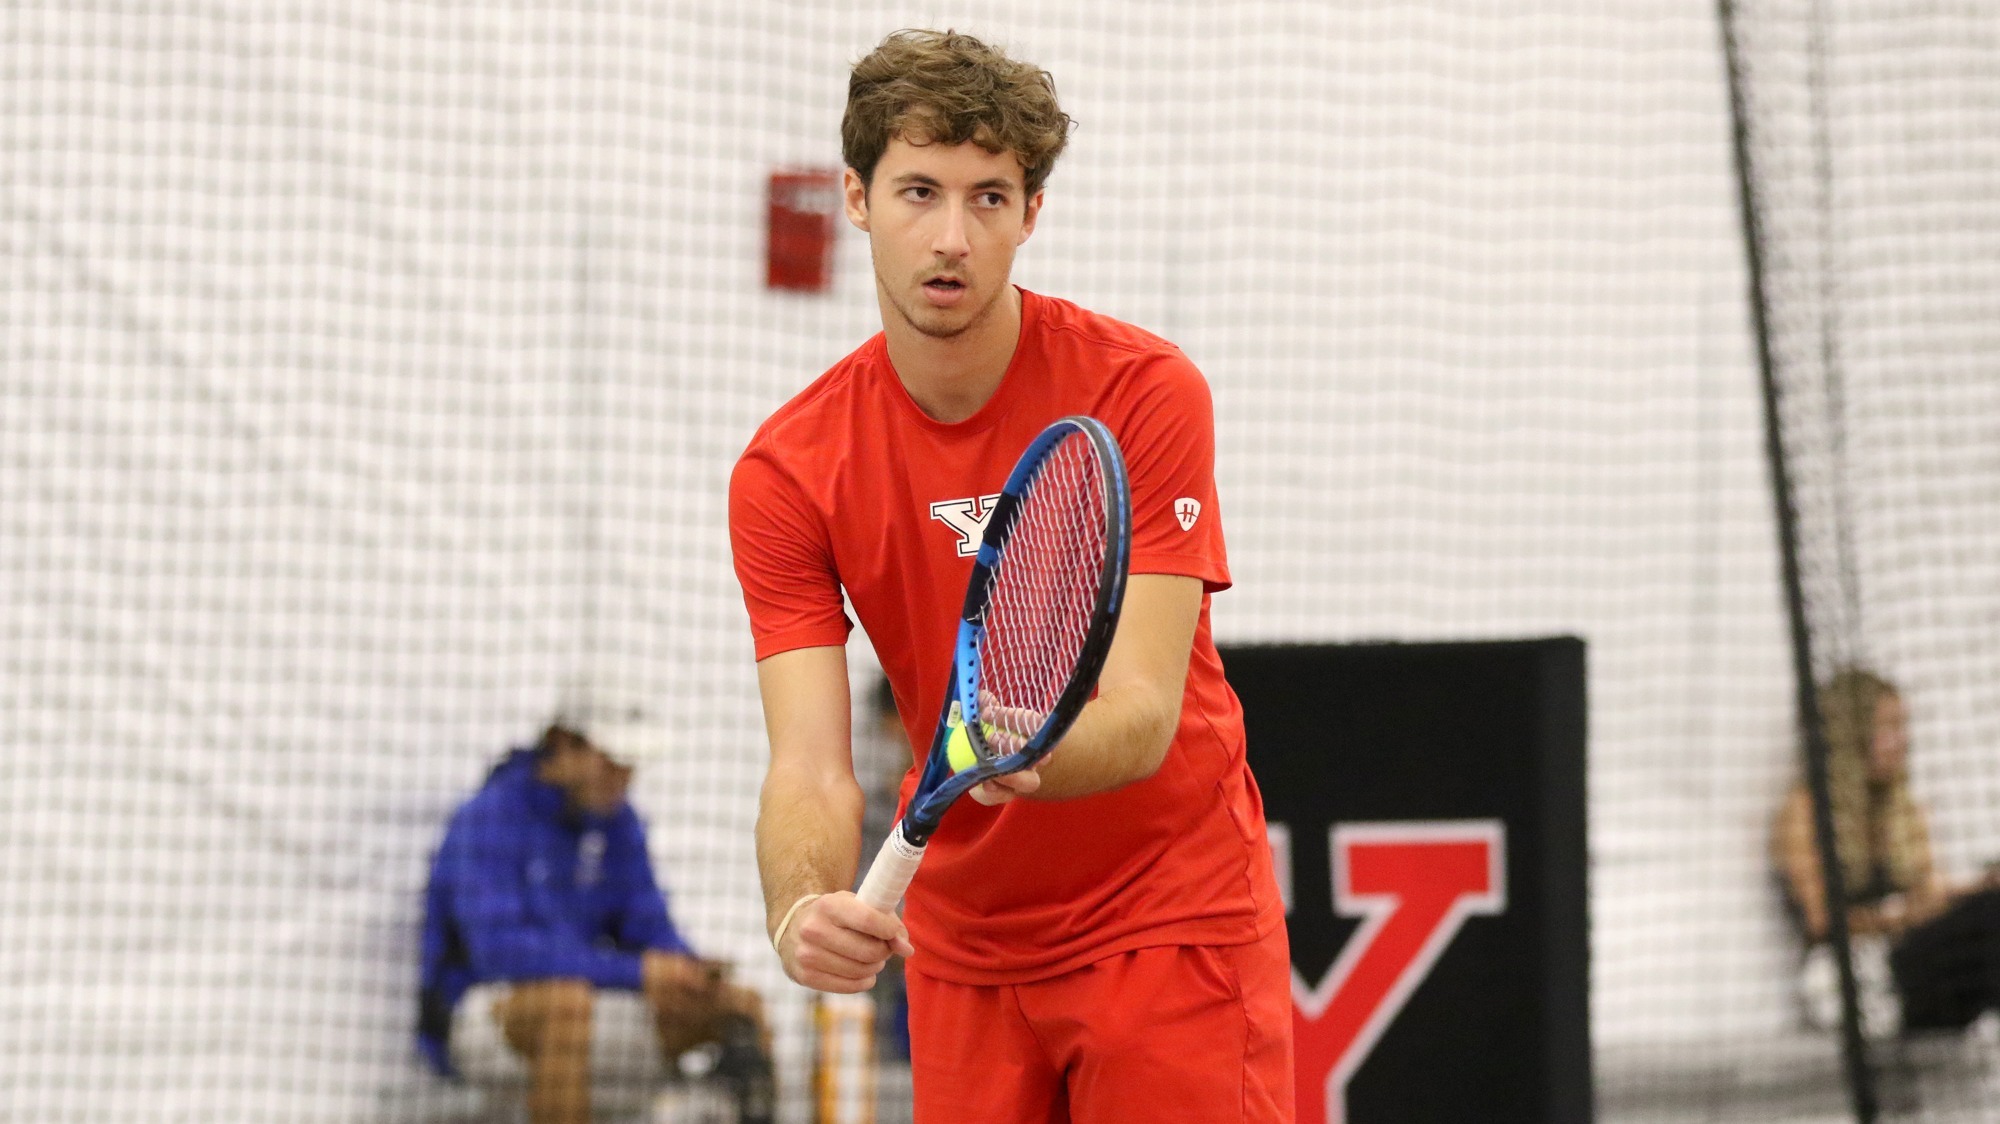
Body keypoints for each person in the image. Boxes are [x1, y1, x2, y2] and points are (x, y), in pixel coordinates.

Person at [728, 29, 1292, 1123]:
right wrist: (799, 905)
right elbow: (807, 765)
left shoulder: (1146, 393)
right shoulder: (786, 469)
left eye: (989, 198)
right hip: (961, 948)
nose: (950, 237)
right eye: (918, 191)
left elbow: (1140, 709)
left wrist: (1032, 750)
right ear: (855, 197)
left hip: (1165, 921)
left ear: (1030, 214)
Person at [418, 707, 774, 1124]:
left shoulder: (618, 822)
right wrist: (637, 972)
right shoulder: (488, 817)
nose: (623, 778)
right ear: (562, 745)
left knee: (737, 1005)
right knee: (565, 1005)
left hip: (590, 1004)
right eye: (611, 762)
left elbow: (650, 925)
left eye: (629, 765)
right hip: (481, 1016)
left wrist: (685, 969)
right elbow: (501, 954)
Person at [1774, 666, 2000, 1036]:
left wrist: (1976, 888)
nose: (1902, 741)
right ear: (1852, 733)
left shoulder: (1903, 812)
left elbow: (1930, 895)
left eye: (1902, 727)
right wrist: (1898, 916)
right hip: (1850, 977)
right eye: (1888, 728)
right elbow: (1820, 921)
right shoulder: (1805, 810)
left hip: (1913, 964)